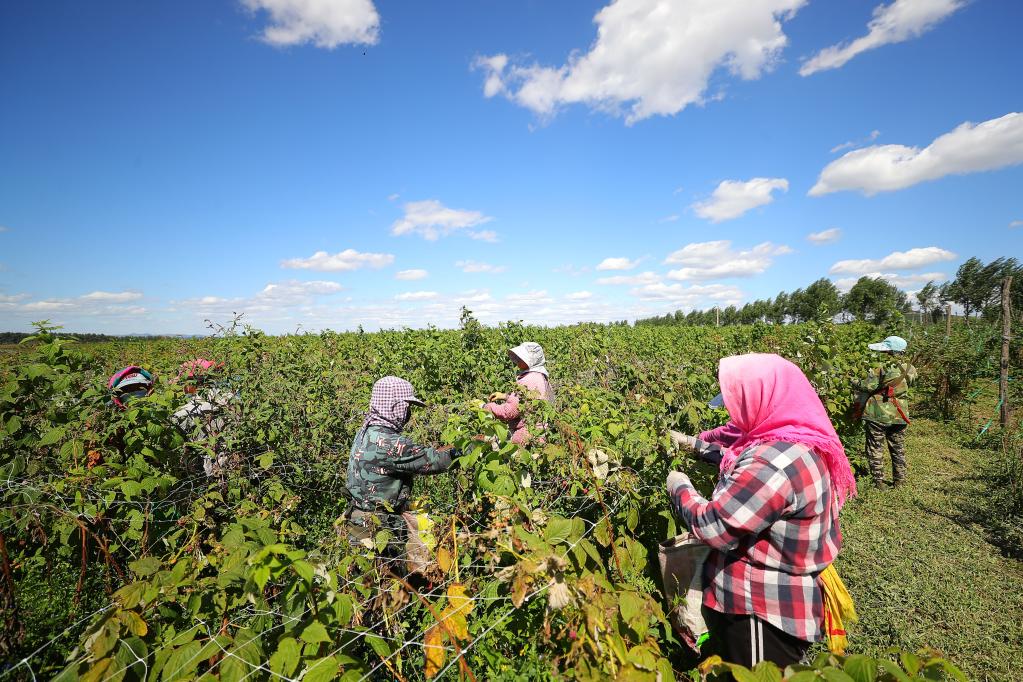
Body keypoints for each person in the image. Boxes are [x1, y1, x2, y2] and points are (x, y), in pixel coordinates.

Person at [666, 354, 856, 669]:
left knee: (756, 675)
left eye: (737, 404)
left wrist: (679, 487)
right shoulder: (793, 439)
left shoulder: (775, 463)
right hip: (771, 596)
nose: (731, 414)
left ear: (763, 399)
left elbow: (713, 525)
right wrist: (692, 445)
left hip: (761, 609)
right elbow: (737, 458)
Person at [345, 376, 457, 561]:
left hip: (359, 520)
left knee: (363, 579)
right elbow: (435, 461)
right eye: (406, 406)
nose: (407, 412)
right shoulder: (388, 443)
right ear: (394, 406)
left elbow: (421, 455)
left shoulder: (367, 431)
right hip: (379, 526)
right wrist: (471, 448)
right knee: (388, 581)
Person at [854, 336, 917, 488]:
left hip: (878, 411)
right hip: (900, 413)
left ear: (889, 351)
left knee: (875, 446)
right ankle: (899, 481)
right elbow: (911, 384)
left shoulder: (880, 367)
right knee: (898, 448)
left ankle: (879, 481)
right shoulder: (910, 368)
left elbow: (868, 386)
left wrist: (853, 381)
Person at [170, 358, 237, 476]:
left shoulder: (180, 414)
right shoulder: (232, 399)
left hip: (204, 472)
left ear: (190, 384)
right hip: (235, 464)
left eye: (182, 383)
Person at [483, 342, 555, 445]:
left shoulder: (529, 379)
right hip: (541, 430)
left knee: (514, 455)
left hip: (528, 433)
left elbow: (509, 412)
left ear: (531, 360)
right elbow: (526, 398)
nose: (517, 360)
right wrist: (505, 396)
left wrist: (487, 406)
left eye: (521, 358)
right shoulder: (539, 375)